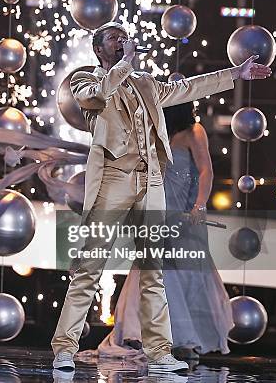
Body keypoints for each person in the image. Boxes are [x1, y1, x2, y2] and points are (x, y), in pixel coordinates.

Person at [51, 22, 270, 372]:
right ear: (99, 50)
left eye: (125, 36)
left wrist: (235, 73)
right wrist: (125, 65)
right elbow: (99, 97)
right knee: (90, 268)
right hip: (113, 180)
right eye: (113, 38)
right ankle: (64, 347)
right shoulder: (85, 81)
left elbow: (188, 88)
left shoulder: (146, 84)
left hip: (151, 184)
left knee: (153, 271)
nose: (122, 40)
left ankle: (160, 351)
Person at [97, 102, 234, 361]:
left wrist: (199, 205)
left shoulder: (195, 132)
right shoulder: (155, 131)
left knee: (181, 274)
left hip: (184, 216)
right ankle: (145, 334)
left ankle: (181, 338)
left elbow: (206, 171)